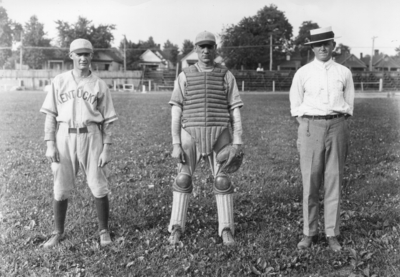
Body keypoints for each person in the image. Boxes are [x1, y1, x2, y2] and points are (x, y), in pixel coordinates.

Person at [40, 38, 118, 248]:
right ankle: (58, 232)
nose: (83, 58)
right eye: (79, 54)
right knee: (60, 185)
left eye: (87, 54)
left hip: (92, 135)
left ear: (91, 56)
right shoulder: (60, 80)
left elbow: (109, 121)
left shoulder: (99, 84)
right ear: (71, 55)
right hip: (64, 135)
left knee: (98, 184)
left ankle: (103, 230)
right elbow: (50, 115)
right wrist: (50, 144)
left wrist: (107, 147)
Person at [168, 31, 244, 246]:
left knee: (222, 180)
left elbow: (235, 109)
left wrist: (237, 142)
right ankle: (176, 227)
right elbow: (176, 110)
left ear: (215, 48)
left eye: (209, 46)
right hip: (190, 132)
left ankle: (226, 228)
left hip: (220, 132)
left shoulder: (226, 75)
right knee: (183, 178)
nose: (206, 50)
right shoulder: (184, 75)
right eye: (201, 46)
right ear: (196, 49)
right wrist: (175, 143)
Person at [289, 27, 354, 252]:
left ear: (333, 45)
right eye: (318, 45)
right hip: (310, 126)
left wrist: (336, 123)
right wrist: (309, 125)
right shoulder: (303, 73)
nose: (323, 48)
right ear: (312, 48)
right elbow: (295, 106)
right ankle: (309, 233)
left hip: (337, 125)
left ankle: (332, 233)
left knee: (334, 179)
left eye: (326, 43)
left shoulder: (344, 72)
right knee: (311, 181)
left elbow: (349, 104)